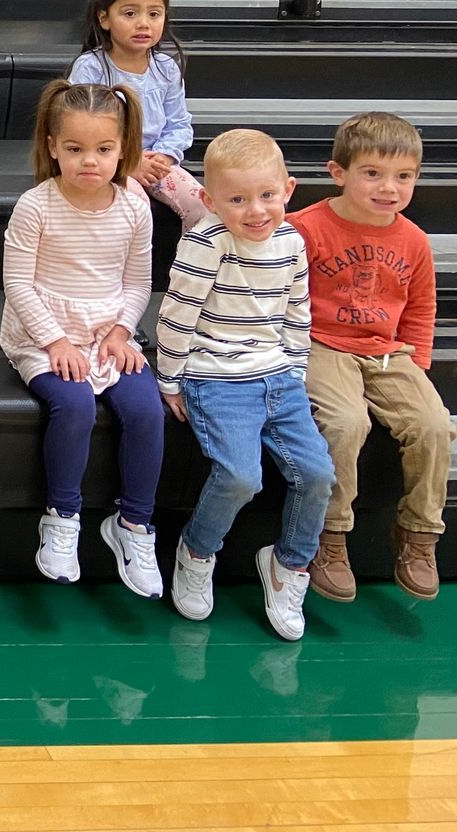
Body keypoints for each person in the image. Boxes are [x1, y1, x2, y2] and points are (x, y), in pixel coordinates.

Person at [156, 129, 334, 641]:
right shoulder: (206, 242)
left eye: (267, 196)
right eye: (237, 200)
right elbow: (176, 316)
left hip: (279, 377)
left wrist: (295, 372)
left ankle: (289, 565)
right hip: (217, 377)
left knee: (319, 473)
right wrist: (171, 380)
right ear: (210, 201)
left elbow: (298, 312)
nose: (255, 211)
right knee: (240, 476)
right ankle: (196, 551)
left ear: (289, 189)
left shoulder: (292, 242)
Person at [1, 80, 164, 597]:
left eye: (103, 149)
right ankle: (62, 516)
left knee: (146, 410)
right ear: (53, 146)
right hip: (41, 332)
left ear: (123, 149)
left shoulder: (135, 207)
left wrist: (120, 331)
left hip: (107, 331)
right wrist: (55, 343)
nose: (89, 161)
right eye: (74, 149)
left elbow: (138, 282)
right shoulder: (36, 205)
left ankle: (134, 524)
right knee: (74, 405)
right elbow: (18, 284)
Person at [290, 112, 451, 602]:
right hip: (323, 342)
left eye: (404, 177)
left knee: (433, 424)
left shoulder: (414, 240)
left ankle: (419, 536)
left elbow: (421, 305)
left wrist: (417, 363)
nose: (390, 188)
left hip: (387, 352)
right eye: (373, 173)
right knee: (344, 423)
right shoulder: (304, 228)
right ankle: (330, 536)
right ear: (338, 172)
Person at [69, 0, 203, 222]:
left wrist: (162, 157)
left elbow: (179, 124)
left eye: (154, 14)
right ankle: (131, 263)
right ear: (104, 18)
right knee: (135, 206)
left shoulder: (165, 68)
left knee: (201, 204)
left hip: (156, 161)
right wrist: (127, 162)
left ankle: (190, 261)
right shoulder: (91, 67)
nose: (143, 23)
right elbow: (78, 126)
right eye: (129, 13)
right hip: (108, 162)